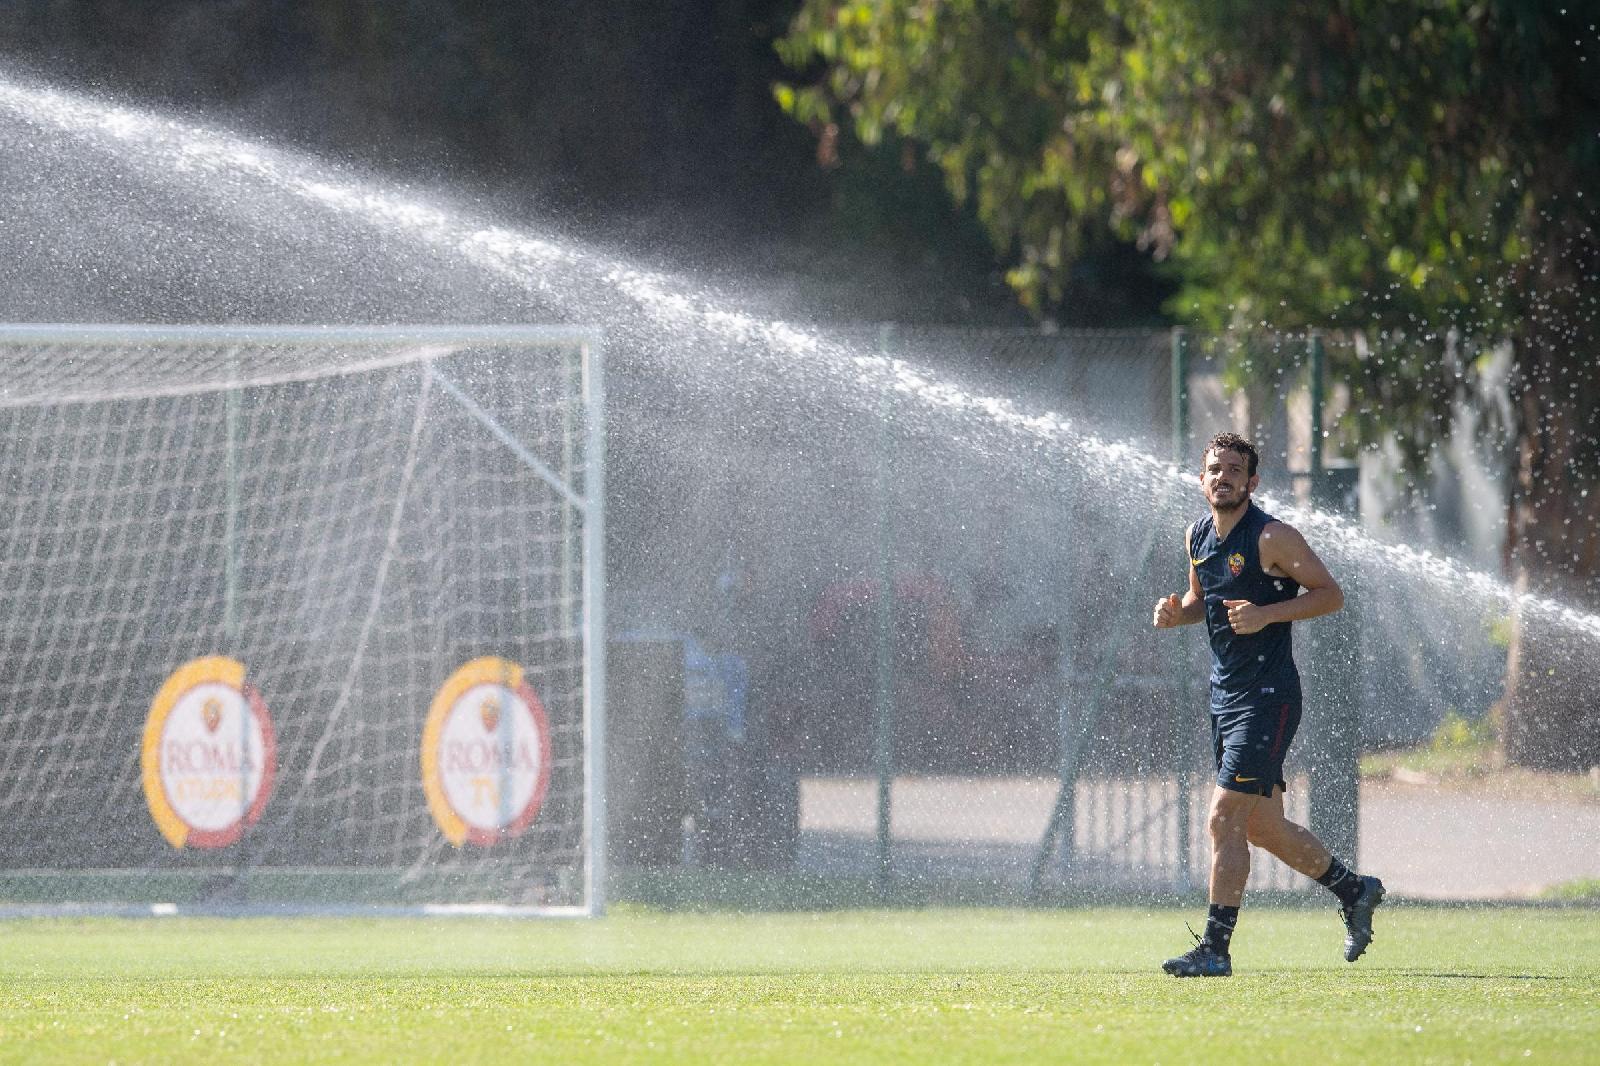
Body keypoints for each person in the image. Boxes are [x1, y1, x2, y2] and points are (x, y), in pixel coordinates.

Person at [1152, 431, 1383, 977]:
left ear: (1252, 482)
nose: (1222, 477)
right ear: (1201, 478)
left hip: (1268, 696)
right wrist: (1174, 612)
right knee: (1262, 828)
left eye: (1234, 470)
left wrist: (1266, 614)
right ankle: (1355, 890)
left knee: (1223, 817)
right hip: (1225, 697)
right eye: (1214, 469)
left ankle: (1215, 949)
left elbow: (1330, 594)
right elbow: (1198, 603)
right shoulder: (1197, 537)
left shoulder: (1273, 537)